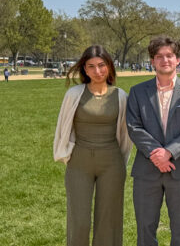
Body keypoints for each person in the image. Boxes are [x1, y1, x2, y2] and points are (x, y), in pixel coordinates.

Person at [53, 45, 132, 246]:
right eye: (91, 66)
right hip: (79, 164)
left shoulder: (121, 96)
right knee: (79, 222)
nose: (97, 71)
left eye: (102, 65)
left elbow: (124, 135)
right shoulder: (74, 94)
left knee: (109, 222)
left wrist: (120, 162)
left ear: (109, 67)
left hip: (112, 164)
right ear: (84, 70)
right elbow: (63, 127)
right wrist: (65, 154)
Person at [126, 37, 180, 246]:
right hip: (146, 169)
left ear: (178, 60)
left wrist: (169, 152)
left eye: (169, 55)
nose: (164, 60)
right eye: (159, 56)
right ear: (152, 61)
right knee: (145, 227)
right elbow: (133, 126)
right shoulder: (138, 92)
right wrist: (156, 154)